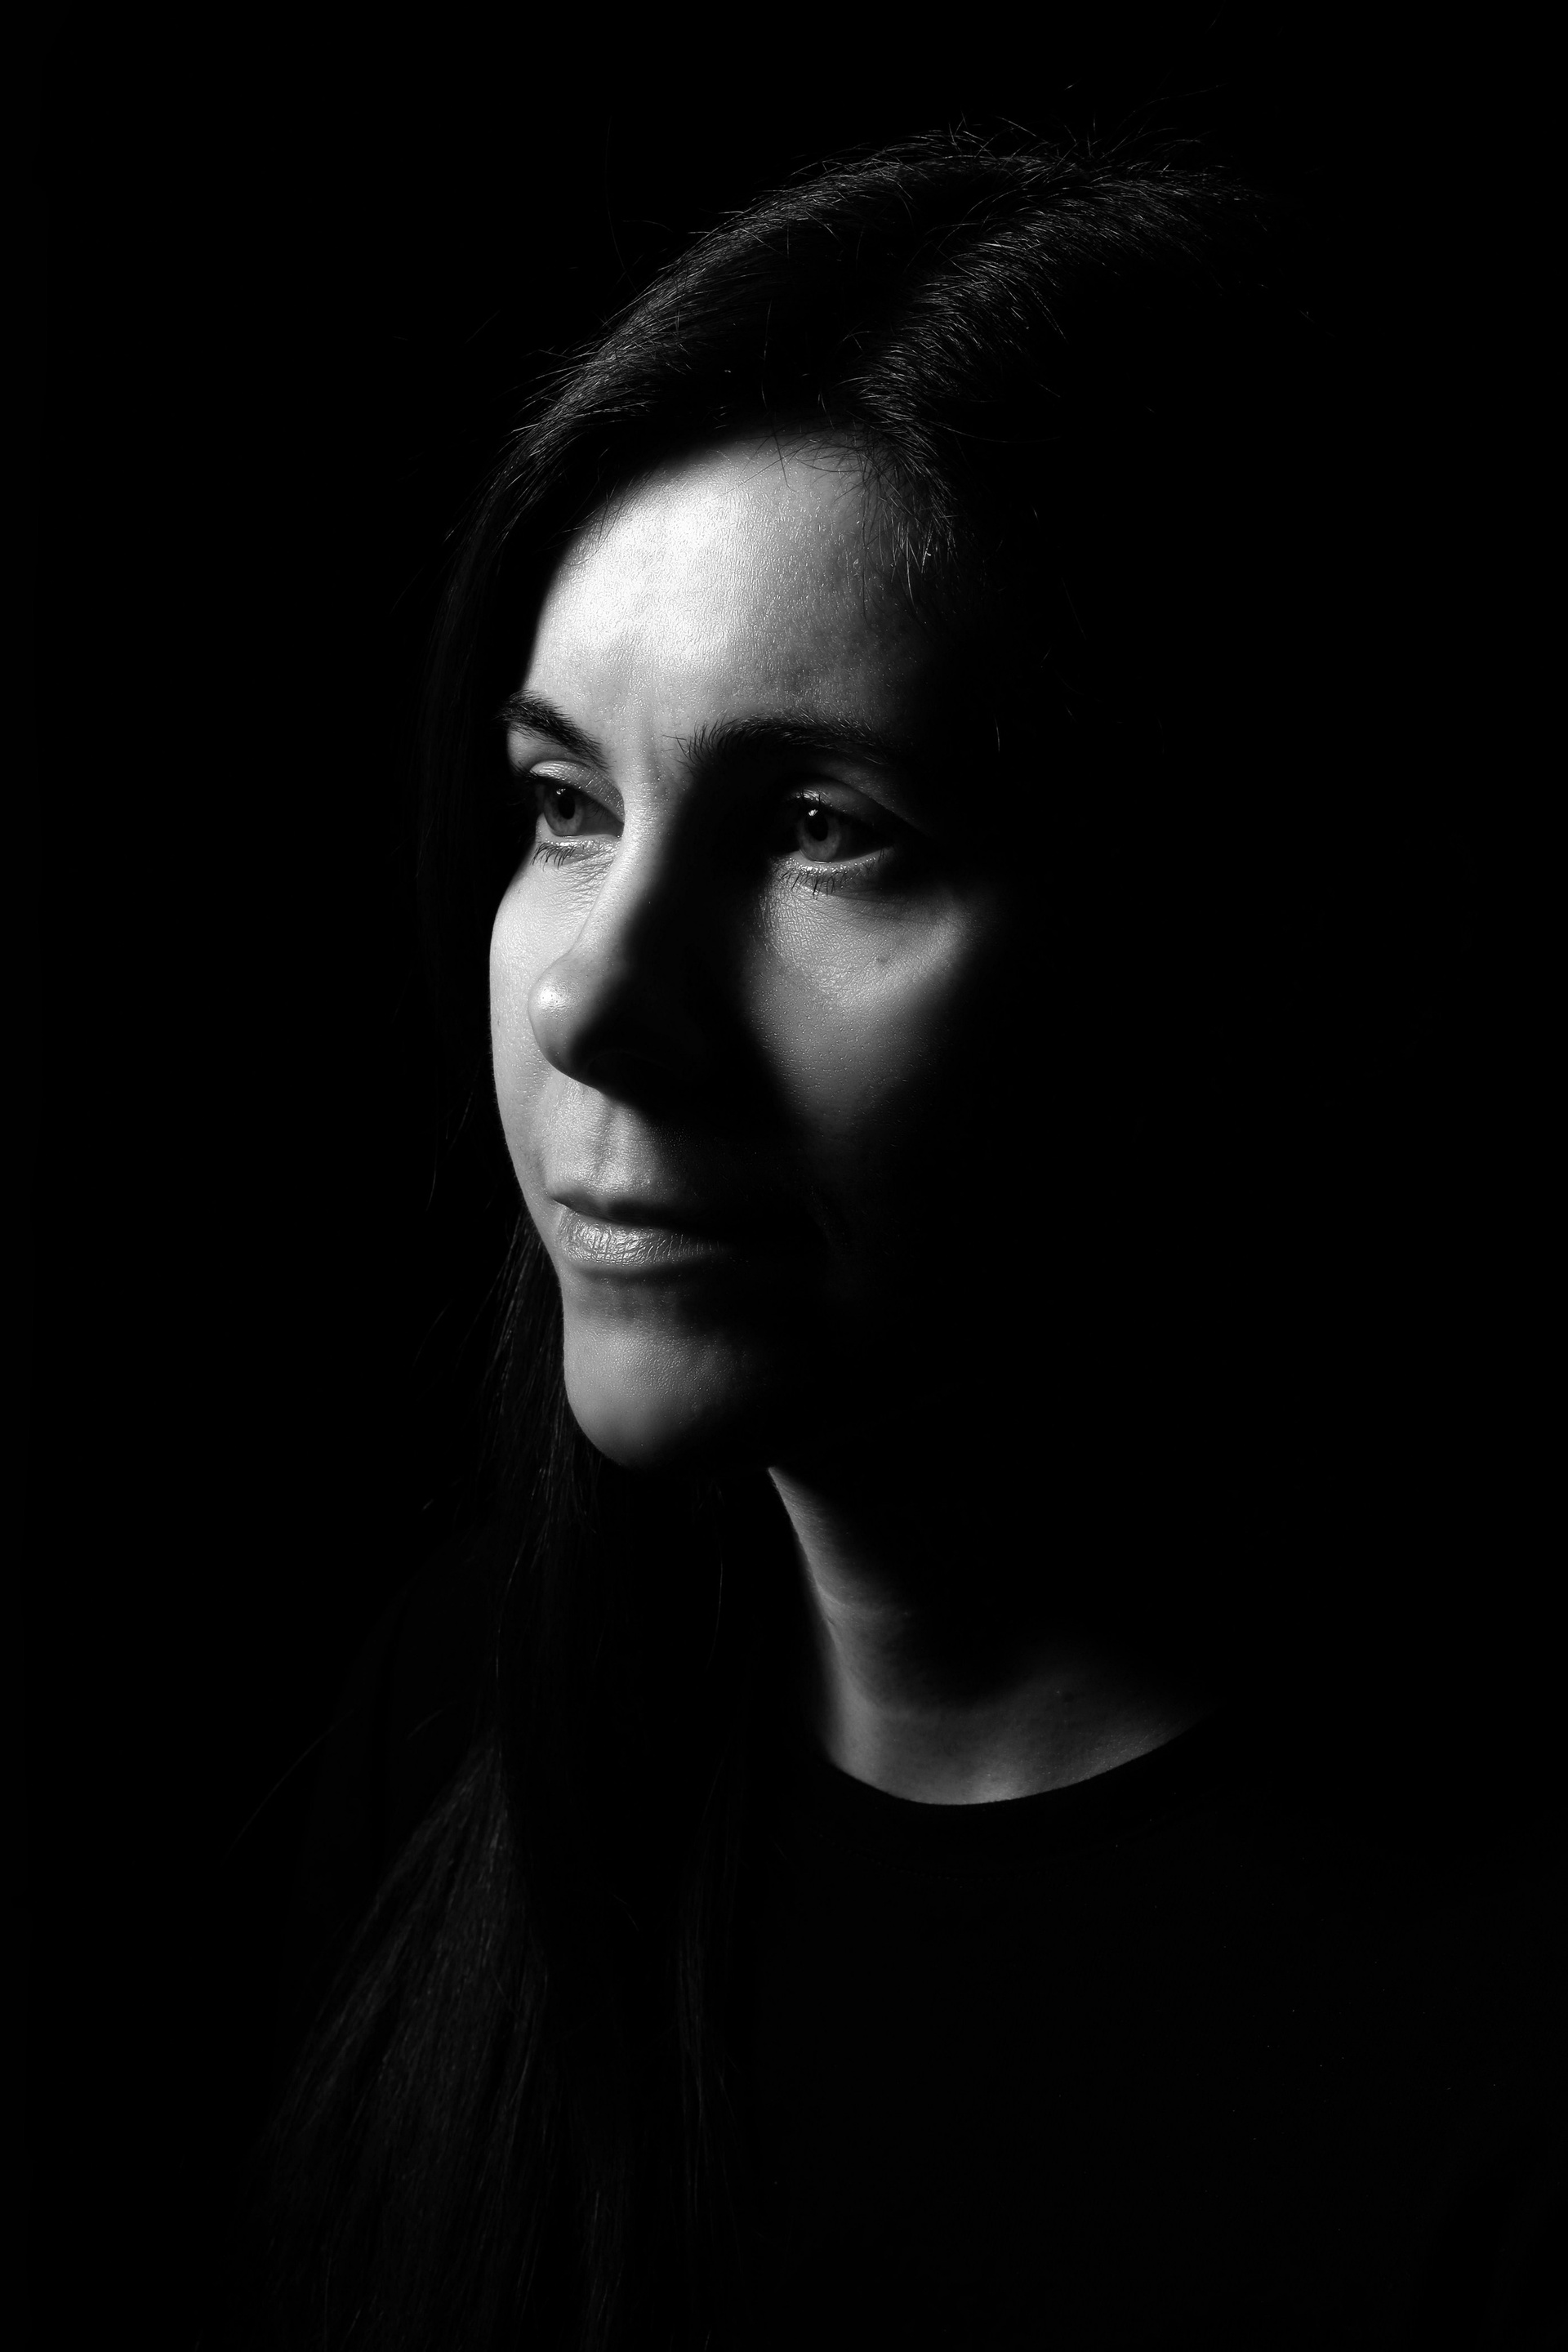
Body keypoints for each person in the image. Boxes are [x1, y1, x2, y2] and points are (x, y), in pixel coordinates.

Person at [227, 131, 1563, 2350]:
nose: (590, 1006)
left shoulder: (1544, 2038)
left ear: (1229, 934)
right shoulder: (460, 1744)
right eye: (565, 805)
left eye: (823, 828)